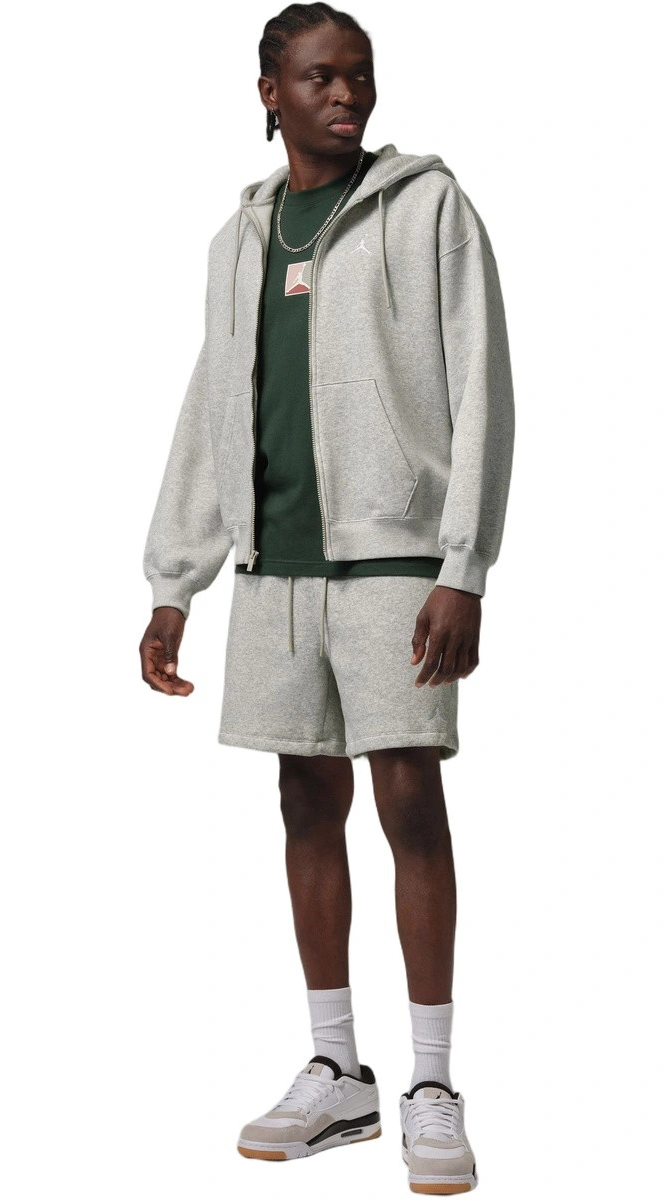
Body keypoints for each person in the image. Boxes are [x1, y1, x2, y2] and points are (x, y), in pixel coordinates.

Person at [139, 4, 513, 1192]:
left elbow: (484, 383)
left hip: (396, 560)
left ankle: (433, 1084)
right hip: (275, 568)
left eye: (359, 75)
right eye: (319, 77)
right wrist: (174, 580)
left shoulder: (429, 207)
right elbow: (213, 402)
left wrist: (462, 566)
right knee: (305, 801)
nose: (345, 94)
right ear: (270, 92)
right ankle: (338, 1071)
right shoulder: (239, 238)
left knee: (409, 799)